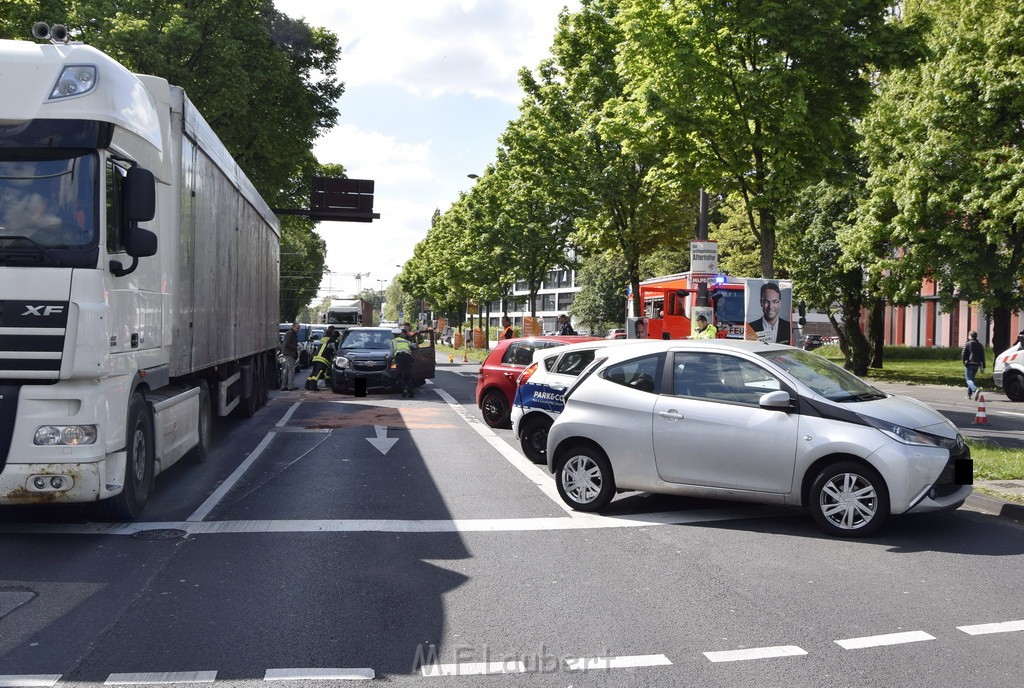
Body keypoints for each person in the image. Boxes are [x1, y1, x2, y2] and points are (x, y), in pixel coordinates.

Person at [305, 326, 338, 391]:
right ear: (331, 334)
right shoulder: (331, 341)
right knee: (318, 373)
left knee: (314, 372)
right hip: (323, 359)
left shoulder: (323, 339)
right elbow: (335, 349)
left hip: (316, 357)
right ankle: (313, 386)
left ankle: (307, 384)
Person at [962, 330, 985, 400]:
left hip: (969, 363)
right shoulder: (980, 345)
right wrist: (983, 365)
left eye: (968, 335)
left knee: (968, 380)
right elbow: (982, 356)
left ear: (970, 336)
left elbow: (963, 354)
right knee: (971, 379)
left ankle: (975, 390)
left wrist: (964, 361)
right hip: (977, 364)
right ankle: (969, 395)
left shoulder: (967, 343)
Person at [391, 329, 415, 398]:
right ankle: (411, 393)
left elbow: (391, 353)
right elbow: (413, 347)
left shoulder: (393, 341)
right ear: (400, 334)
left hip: (400, 358)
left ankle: (405, 387)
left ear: (393, 335)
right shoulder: (406, 341)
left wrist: (389, 359)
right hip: (408, 358)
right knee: (408, 376)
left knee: (398, 375)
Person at [280, 321, 300, 391]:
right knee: (291, 370)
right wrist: (296, 348)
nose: (298, 330)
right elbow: (287, 344)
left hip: (288, 353)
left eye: (299, 328)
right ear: (293, 327)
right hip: (289, 354)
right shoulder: (290, 334)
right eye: (297, 328)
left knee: (287, 370)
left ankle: (284, 386)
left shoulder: (292, 334)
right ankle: (290, 385)